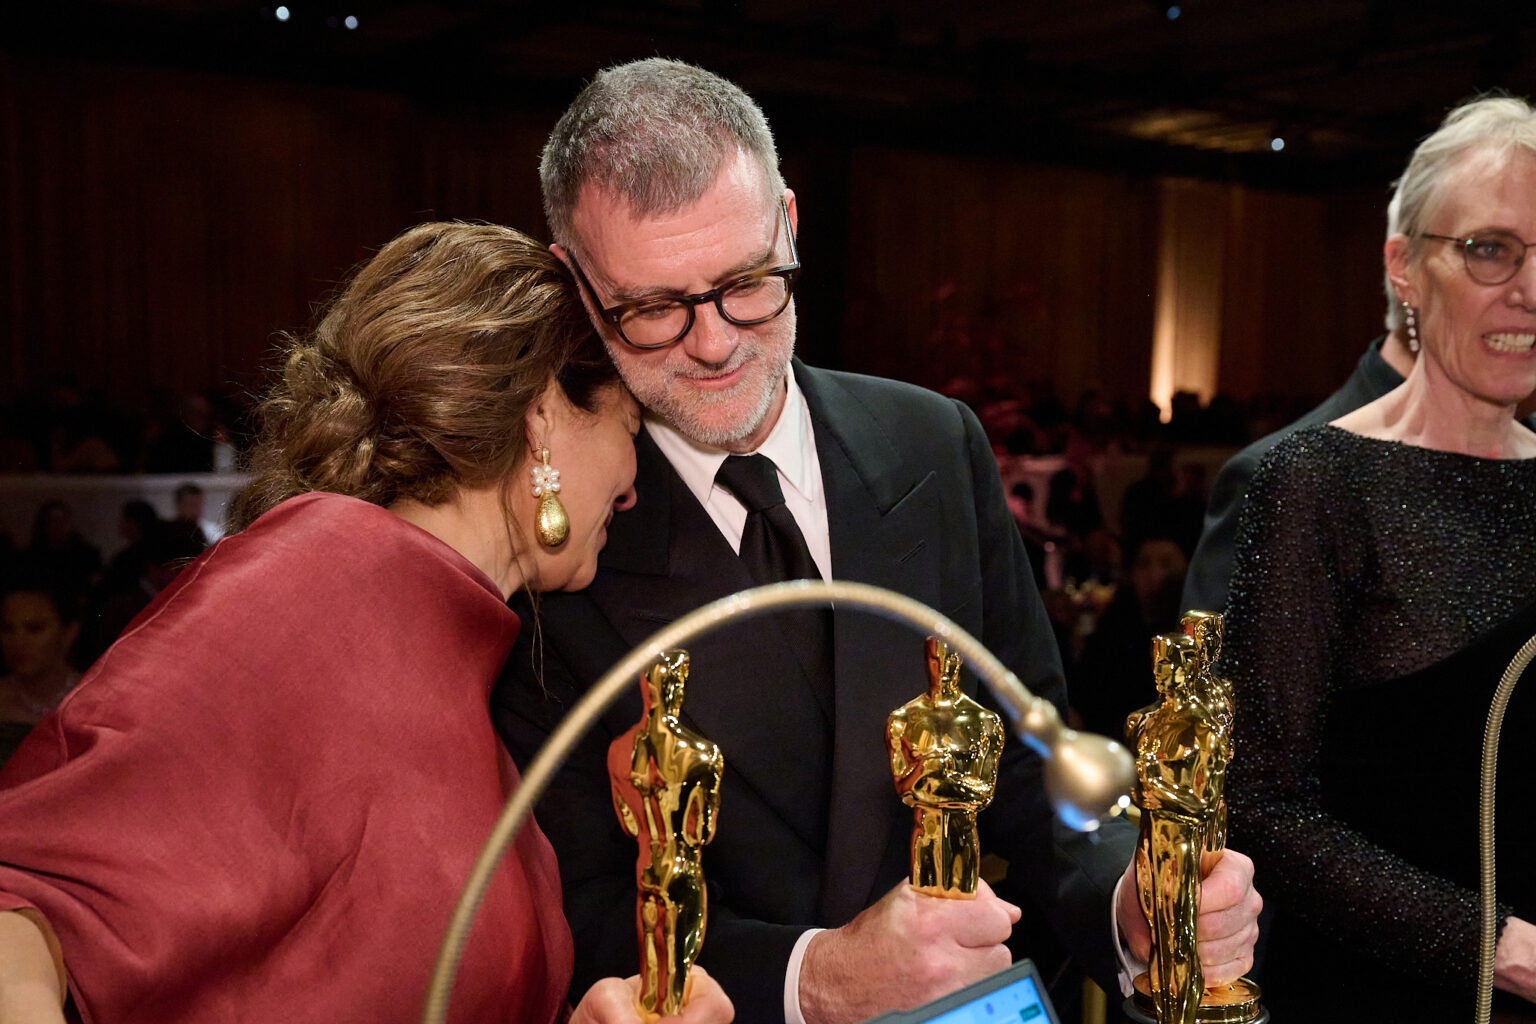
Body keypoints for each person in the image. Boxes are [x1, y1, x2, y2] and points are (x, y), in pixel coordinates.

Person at [494, 58, 1261, 1024]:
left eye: (748, 282)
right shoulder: (552, 548)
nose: (717, 341)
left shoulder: (934, 443)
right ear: (574, 281)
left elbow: (1034, 761)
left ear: (790, 224)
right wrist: (814, 978)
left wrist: (1130, 903)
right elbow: (574, 912)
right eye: (653, 308)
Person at [0, 222, 733, 1024]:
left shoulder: (452, 654)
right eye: (631, 427)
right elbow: (22, 903)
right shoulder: (315, 580)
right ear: (545, 415)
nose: (632, 490)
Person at [1221, 95, 1536, 1018]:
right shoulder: (1318, 482)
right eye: (1489, 248)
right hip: (1381, 997)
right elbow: (1260, 807)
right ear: (1405, 265)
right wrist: (1501, 947)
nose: (1527, 288)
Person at [0, 579, 82, 767]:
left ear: (69, 632)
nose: (18, 641)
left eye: (34, 629)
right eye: (8, 629)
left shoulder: (93, 697)